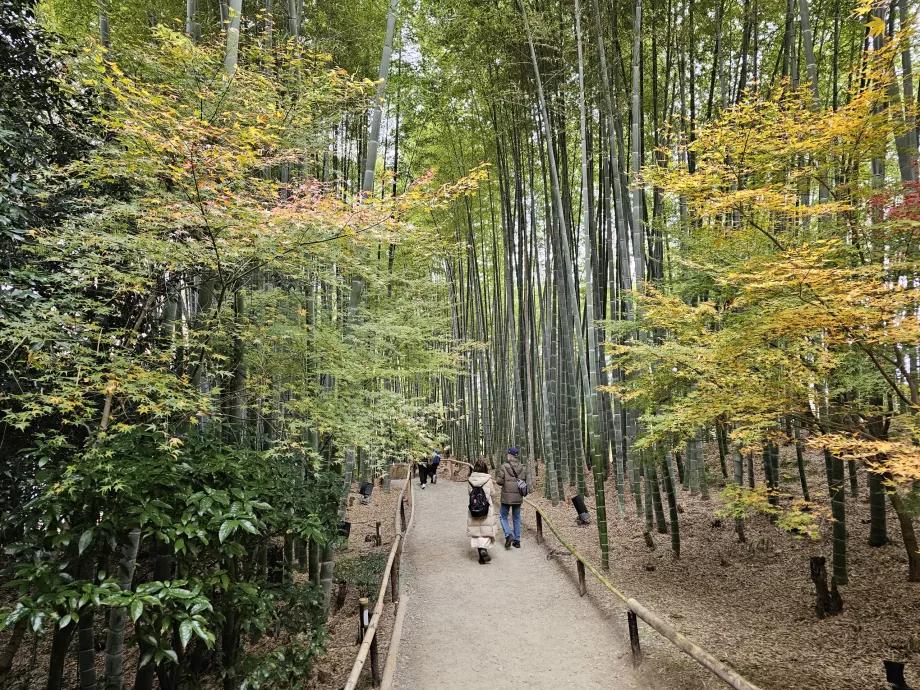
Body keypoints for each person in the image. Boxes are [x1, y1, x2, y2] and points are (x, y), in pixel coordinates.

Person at [467, 459, 497, 564]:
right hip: (486, 508)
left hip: (474, 508)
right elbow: (492, 493)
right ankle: (484, 550)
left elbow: (469, 493)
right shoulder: (488, 479)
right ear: (485, 469)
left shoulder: (470, 480)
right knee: (485, 531)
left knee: (477, 532)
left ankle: (481, 556)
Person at [496, 446, 524, 549]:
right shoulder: (522, 467)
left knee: (503, 517)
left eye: (508, 454)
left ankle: (508, 534)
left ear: (510, 455)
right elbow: (524, 481)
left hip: (507, 496)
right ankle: (517, 541)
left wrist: (505, 482)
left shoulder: (504, 467)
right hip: (518, 497)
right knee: (516, 518)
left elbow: (499, 481)